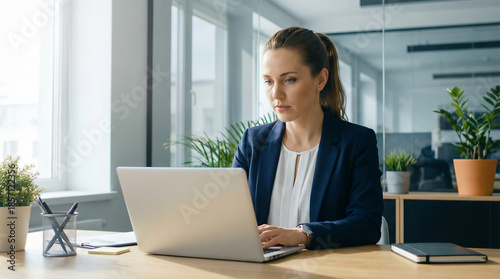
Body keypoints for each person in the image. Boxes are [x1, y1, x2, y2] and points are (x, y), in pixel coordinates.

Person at [232, 26, 383, 250]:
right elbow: (229, 217)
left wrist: (303, 235)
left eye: (289, 80)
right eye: (268, 81)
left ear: (320, 80)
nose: (276, 94)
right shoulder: (252, 142)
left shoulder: (357, 142)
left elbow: (367, 225)